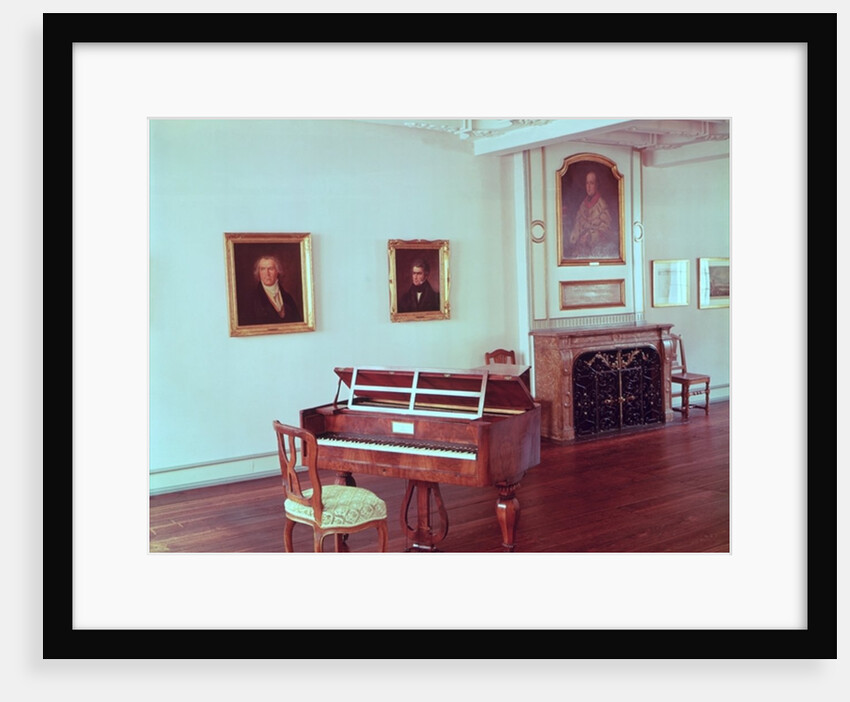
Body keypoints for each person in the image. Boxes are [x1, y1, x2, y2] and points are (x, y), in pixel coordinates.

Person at [245, 254, 302, 324]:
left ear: (277, 272)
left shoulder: (288, 298)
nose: (267, 273)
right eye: (263, 269)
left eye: (271, 269)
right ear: (259, 273)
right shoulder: (251, 299)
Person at [568, 169, 613, 257]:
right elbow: (577, 225)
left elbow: (606, 231)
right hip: (581, 249)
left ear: (596, 185)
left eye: (591, 183)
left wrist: (590, 237)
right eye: (587, 183)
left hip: (597, 249)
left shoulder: (601, 205)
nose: (588, 187)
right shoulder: (583, 205)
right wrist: (577, 236)